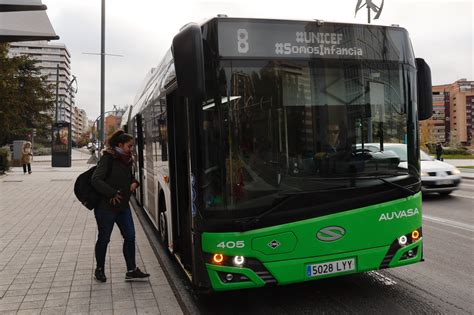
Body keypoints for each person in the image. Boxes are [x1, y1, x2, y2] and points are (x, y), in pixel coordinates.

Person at [91, 130, 150, 282]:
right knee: (104, 239)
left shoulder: (126, 160)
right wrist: (111, 193)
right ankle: (99, 269)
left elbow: (128, 178)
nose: (131, 149)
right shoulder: (108, 159)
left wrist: (134, 182)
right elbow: (96, 179)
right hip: (106, 208)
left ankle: (131, 270)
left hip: (123, 207)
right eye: (129, 146)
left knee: (130, 237)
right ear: (120, 145)